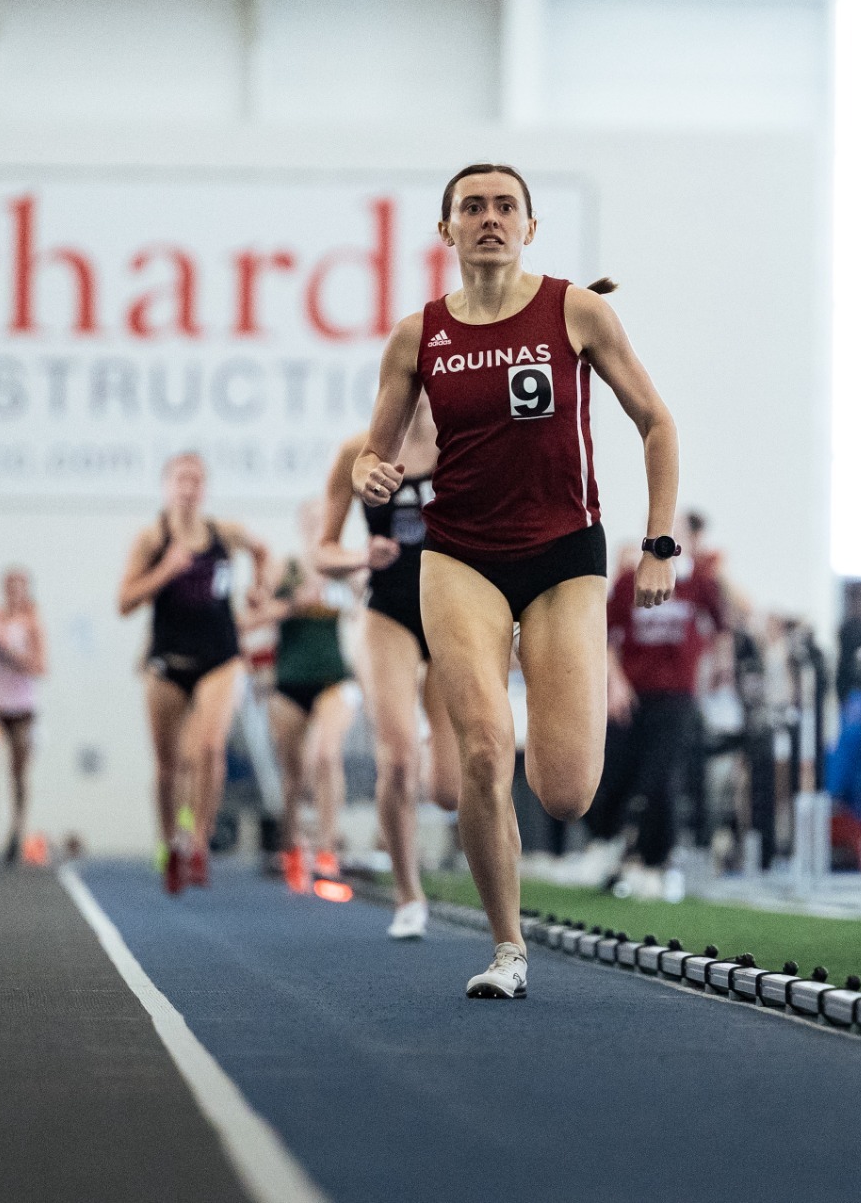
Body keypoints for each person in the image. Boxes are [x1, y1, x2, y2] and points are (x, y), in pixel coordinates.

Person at [353, 162, 680, 999]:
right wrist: (369, 473)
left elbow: (655, 421)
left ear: (530, 227)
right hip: (458, 556)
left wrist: (658, 543)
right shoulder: (417, 335)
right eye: (473, 207)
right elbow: (372, 451)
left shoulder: (576, 311)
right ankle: (507, 946)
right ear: (447, 229)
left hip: (564, 553)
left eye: (506, 206)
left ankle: (538, 832)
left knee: (565, 791)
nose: (489, 218)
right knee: (483, 748)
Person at [316, 397, 461, 940]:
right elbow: (322, 551)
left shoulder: (462, 440)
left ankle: (431, 745)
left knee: (448, 791)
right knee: (396, 761)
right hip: (389, 613)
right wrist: (361, 557)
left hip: (452, 609)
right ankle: (408, 894)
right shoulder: (359, 452)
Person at [118, 452, 270, 894]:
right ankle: (171, 842)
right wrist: (165, 571)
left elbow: (262, 551)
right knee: (168, 766)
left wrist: (258, 588)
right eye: (181, 479)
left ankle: (200, 841)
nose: (189, 487)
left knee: (208, 747)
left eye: (196, 480)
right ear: (167, 486)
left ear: (204, 488)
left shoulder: (225, 532)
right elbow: (124, 601)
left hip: (220, 655)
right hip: (168, 660)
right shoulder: (152, 539)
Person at [587, 531, 727, 900]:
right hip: (631, 696)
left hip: (676, 696)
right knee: (613, 777)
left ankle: (655, 862)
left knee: (660, 780)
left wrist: (718, 668)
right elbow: (604, 635)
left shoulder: (699, 584)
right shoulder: (627, 581)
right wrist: (614, 681)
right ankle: (609, 848)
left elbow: (723, 627)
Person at [262, 501, 360, 892]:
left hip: (333, 679)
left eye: (325, 519)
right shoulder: (283, 568)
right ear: (302, 525)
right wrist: (294, 603)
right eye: (312, 520)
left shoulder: (344, 569)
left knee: (325, 755)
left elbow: (367, 604)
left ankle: (327, 849)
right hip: (289, 683)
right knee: (293, 779)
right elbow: (254, 615)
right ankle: (290, 846)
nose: (319, 525)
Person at [0, 567, 47, 866]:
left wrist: (7, 655)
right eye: (9, 586)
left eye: (19, 587)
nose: (14, 592)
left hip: (21, 707)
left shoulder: (32, 623)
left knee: (18, 771)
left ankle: (17, 829)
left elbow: (40, 666)